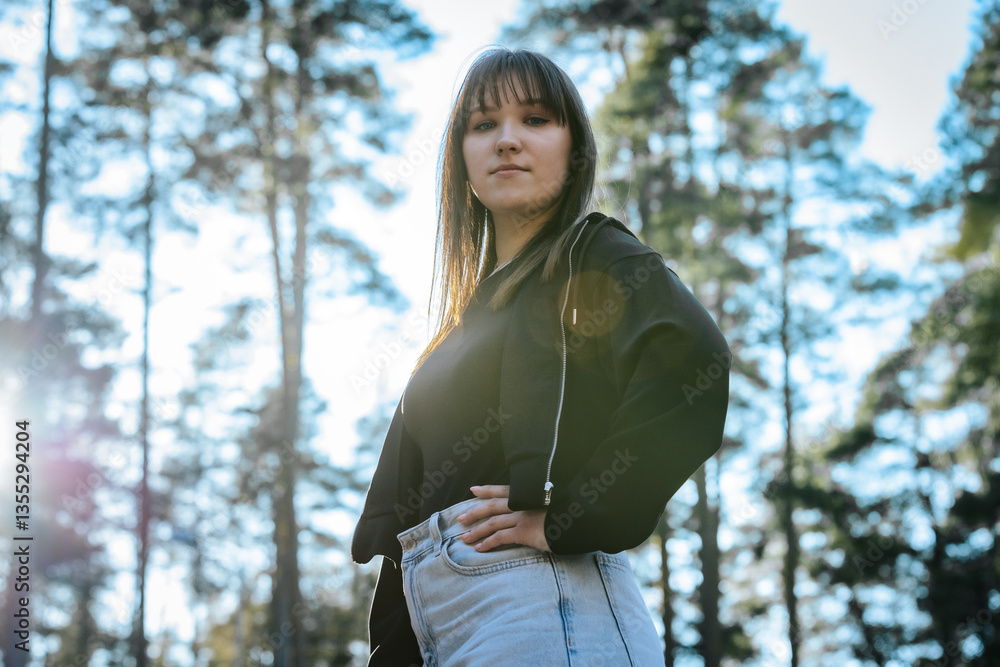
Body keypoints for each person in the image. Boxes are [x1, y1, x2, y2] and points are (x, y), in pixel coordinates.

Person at [351, 46, 731, 667]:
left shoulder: (595, 255)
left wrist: (574, 514)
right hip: (437, 632)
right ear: (461, 157)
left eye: (534, 119)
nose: (507, 140)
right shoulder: (457, 326)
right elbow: (410, 521)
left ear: (574, 146)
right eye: (483, 124)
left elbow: (691, 363)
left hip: (547, 607)